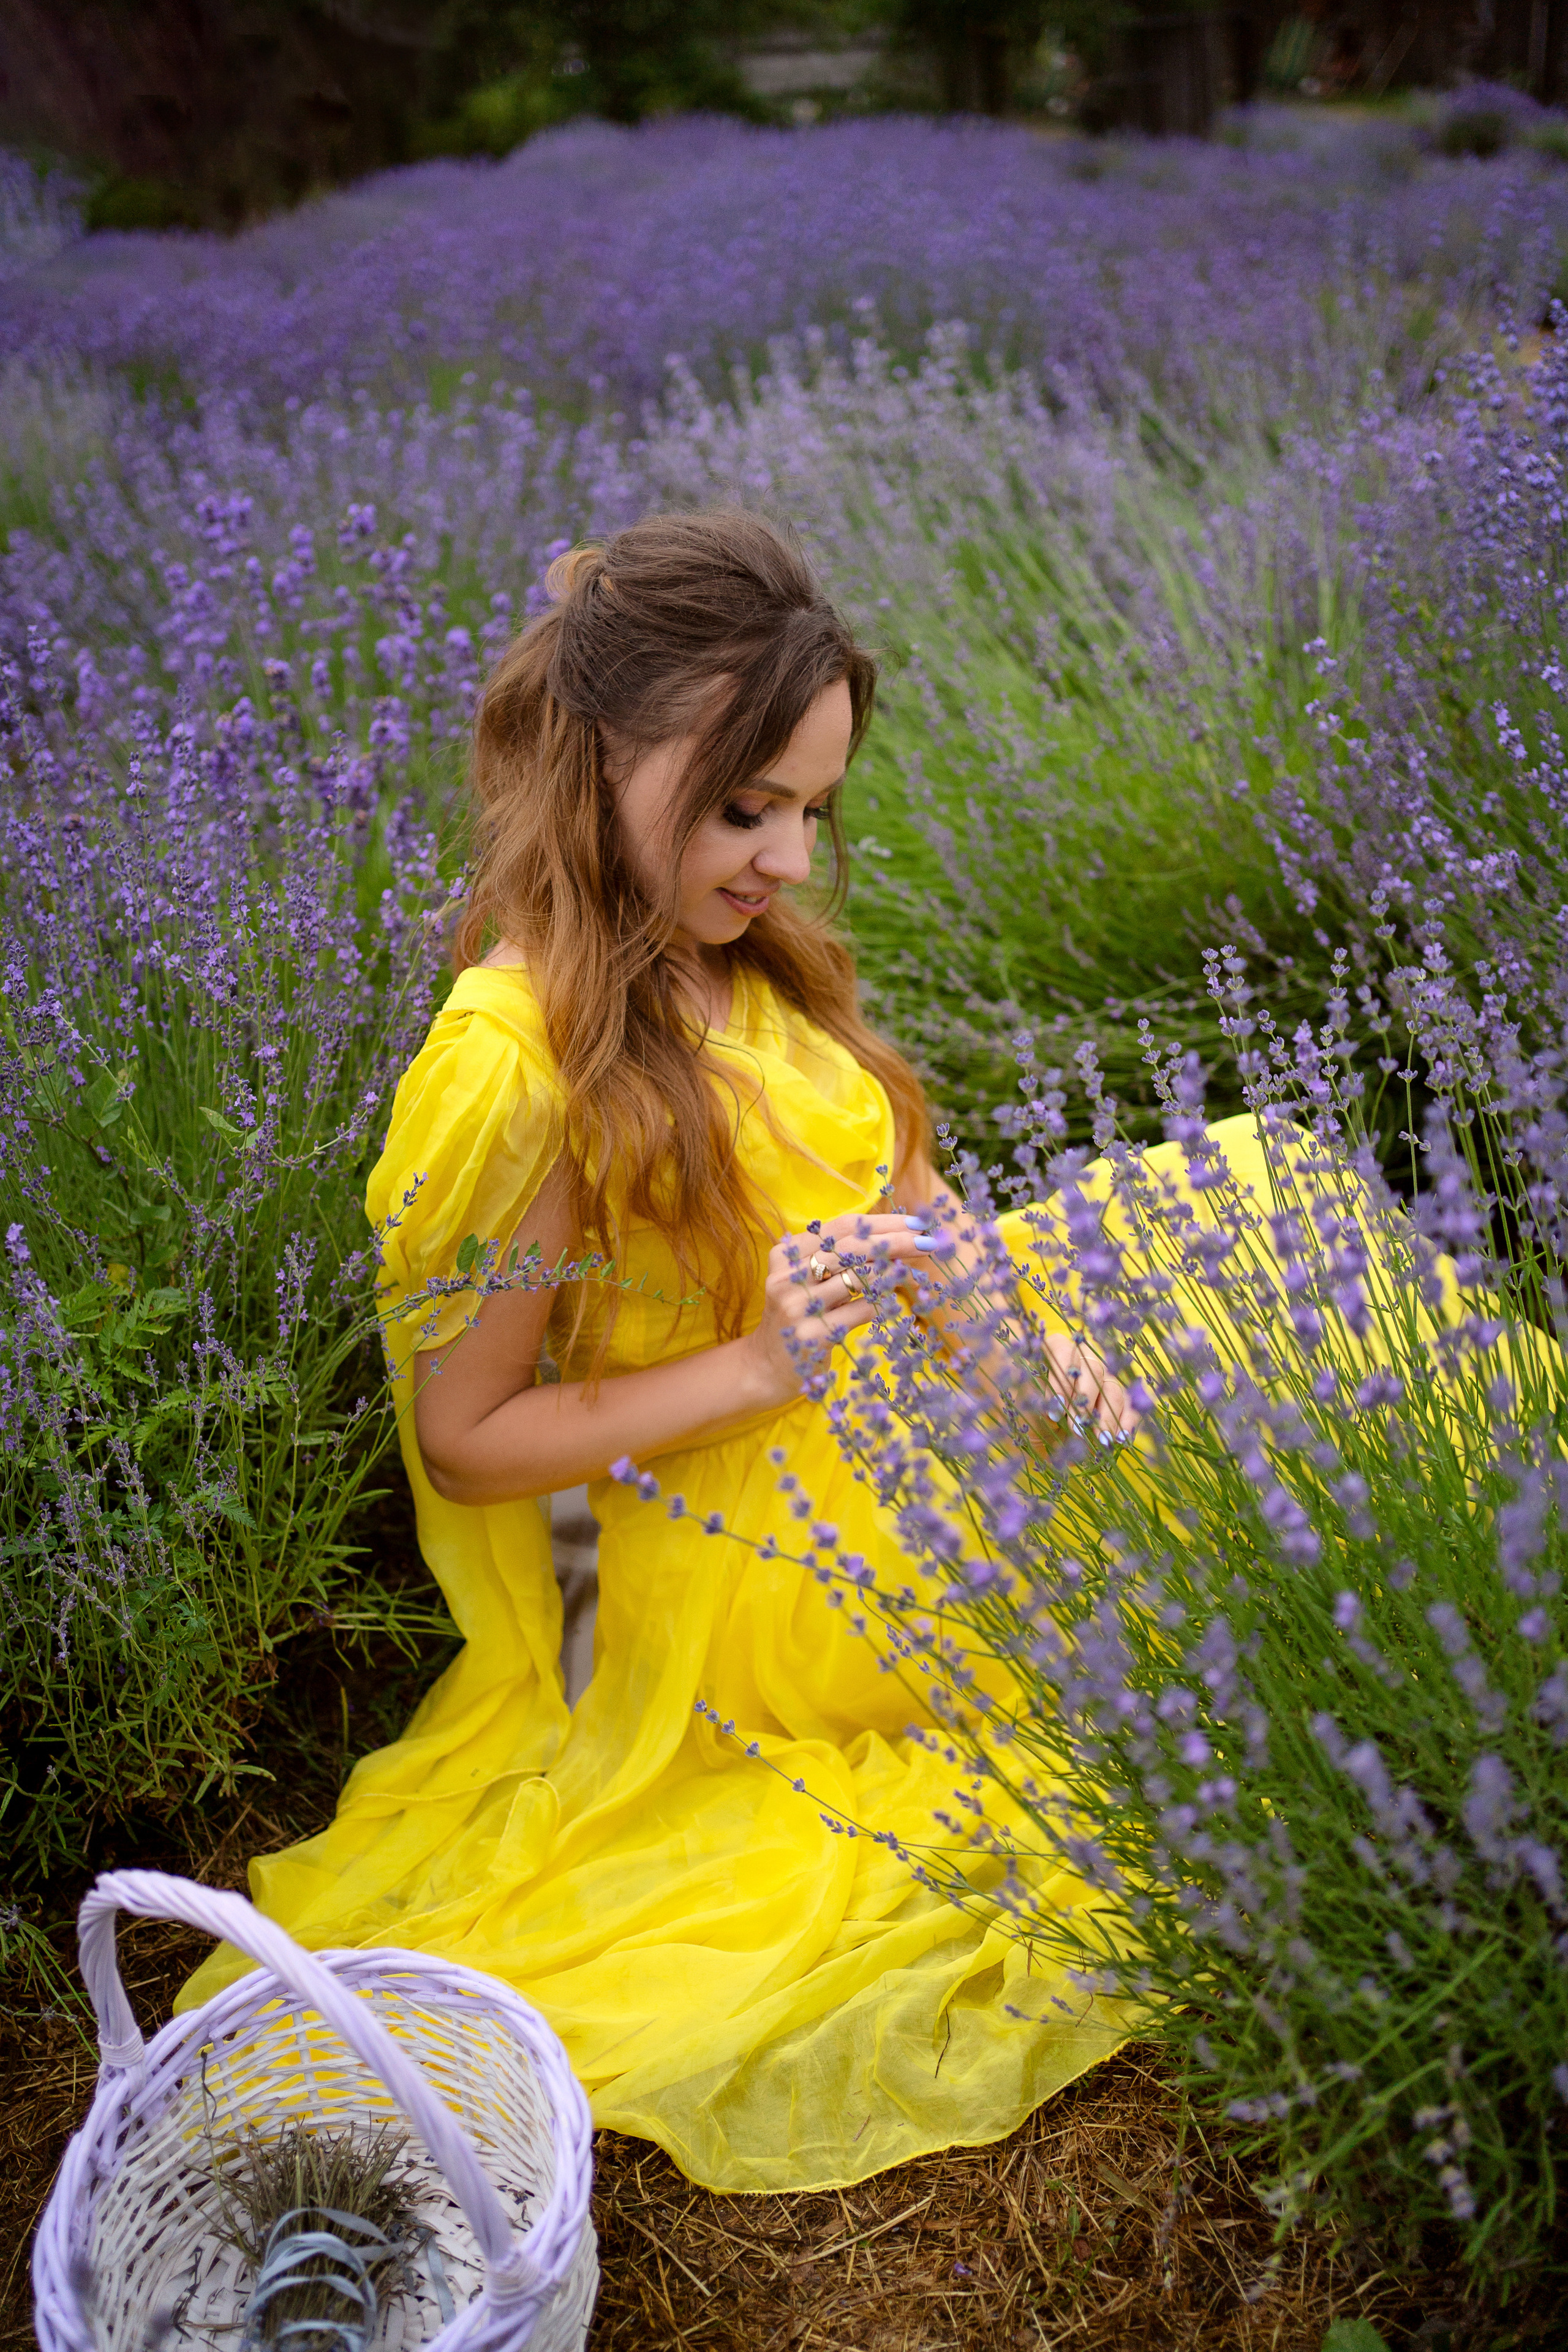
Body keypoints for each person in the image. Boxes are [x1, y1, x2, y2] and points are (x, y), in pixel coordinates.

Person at [178, 510, 1133, 2191]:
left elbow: (911, 1199)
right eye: (745, 806)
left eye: (812, 813)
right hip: (741, 1543)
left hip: (912, 1404)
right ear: (594, 759)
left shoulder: (739, 956)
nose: (787, 859)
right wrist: (766, 1371)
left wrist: (1034, 1360)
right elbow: (471, 1436)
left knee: (1262, 1351)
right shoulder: (519, 1060)